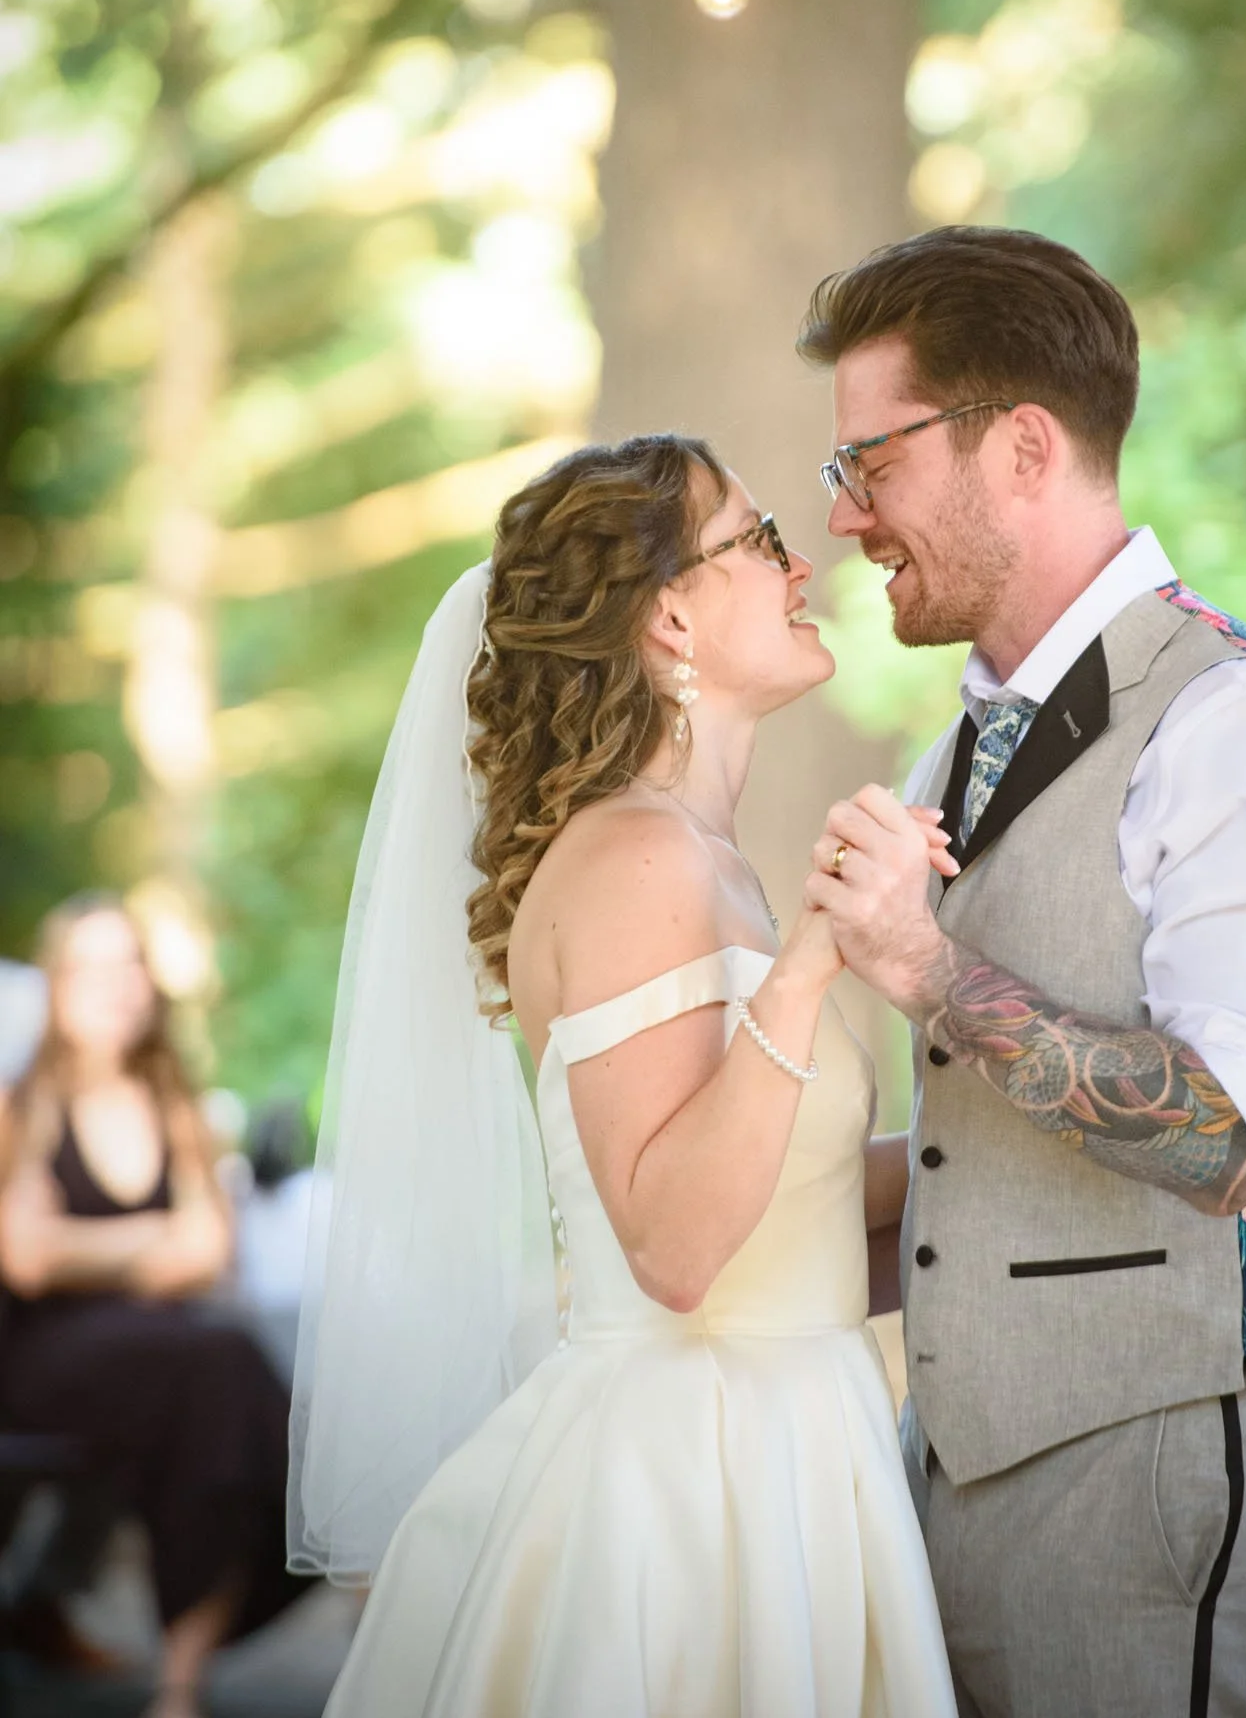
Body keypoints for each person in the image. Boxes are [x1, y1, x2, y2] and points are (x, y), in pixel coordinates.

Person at [795, 225, 1246, 1718]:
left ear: (1017, 447)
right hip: (960, 1478)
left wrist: (927, 972)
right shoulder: (961, 743)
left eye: (866, 464)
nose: (844, 522)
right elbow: (975, 1147)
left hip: (1155, 1478)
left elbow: (1225, 1139)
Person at [288, 434, 959, 1718]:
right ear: (666, 617)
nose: (801, 558)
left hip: (797, 1446)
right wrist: (812, 963)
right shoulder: (632, 862)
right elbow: (674, 1246)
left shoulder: (701, 858)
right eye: (760, 541)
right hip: (692, 1489)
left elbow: (788, 1203)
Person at [0, 893, 309, 1718]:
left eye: (130, 962)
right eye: (93, 966)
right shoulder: (25, 1106)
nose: (117, 983)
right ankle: (359, 1578)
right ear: (58, 986)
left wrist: (91, 1251)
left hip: (164, 1362)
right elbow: (26, 1261)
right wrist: (152, 1241)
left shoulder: (174, 1104)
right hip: (41, 1360)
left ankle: (181, 1687)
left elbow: (210, 1253)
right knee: (224, 1365)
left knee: (213, 1391)